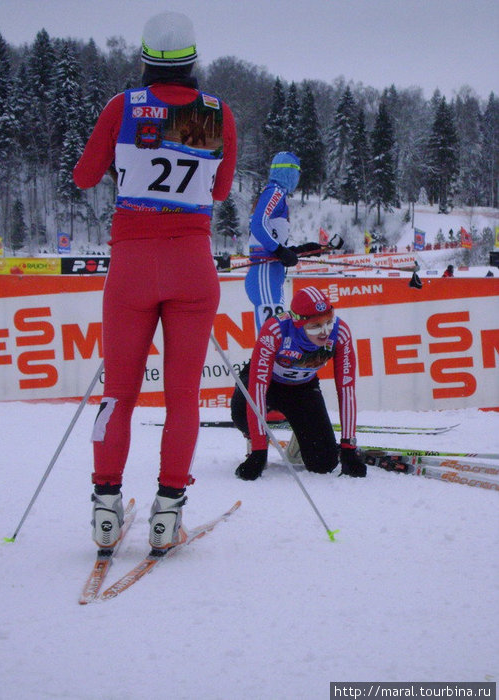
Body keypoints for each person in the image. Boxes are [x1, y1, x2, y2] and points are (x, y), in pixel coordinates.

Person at [73, 12, 237, 554]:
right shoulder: (214, 113)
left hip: (132, 267)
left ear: (144, 58)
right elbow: (218, 192)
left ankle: (104, 509)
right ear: (193, 60)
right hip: (192, 266)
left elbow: (84, 175)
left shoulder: (123, 107)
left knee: (117, 394)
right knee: (183, 396)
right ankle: (168, 512)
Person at [230, 286, 367, 480]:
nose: (324, 332)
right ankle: (255, 436)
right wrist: (259, 452)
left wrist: (349, 446)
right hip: (268, 384)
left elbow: (346, 389)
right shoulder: (275, 330)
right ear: (297, 323)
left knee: (324, 464)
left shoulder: (340, 332)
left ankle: (301, 440)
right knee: (240, 412)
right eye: (315, 326)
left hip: (302, 388)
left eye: (329, 322)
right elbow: (257, 389)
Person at [244, 152, 319, 331]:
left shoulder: (279, 195)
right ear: (290, 172)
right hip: (265, 270)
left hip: (272, 271)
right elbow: (257, 225)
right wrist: (280, 251)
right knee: (273, 334)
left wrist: (297, 250)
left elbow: (270, 235)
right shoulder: (275, 191)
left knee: (278, 333)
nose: (299, 178)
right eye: (298, 172)